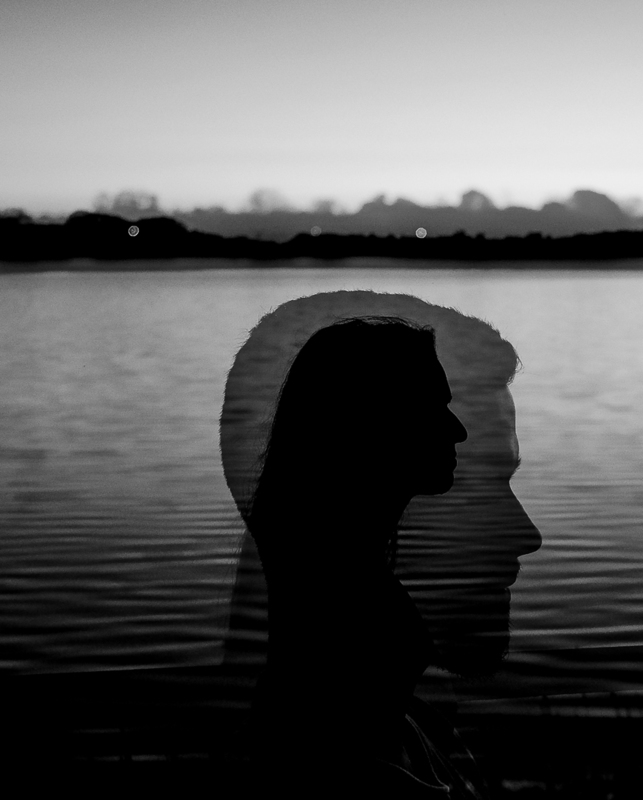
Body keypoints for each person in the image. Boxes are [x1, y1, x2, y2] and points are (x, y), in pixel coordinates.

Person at [220, 293, 541, 795]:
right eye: (434, 407)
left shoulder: (324, 569)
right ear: (374, 421)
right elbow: (335, 762)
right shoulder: (337, 591)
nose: (457, 430)